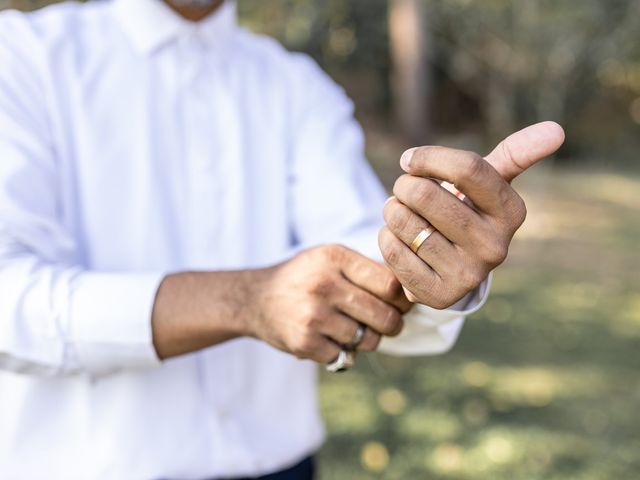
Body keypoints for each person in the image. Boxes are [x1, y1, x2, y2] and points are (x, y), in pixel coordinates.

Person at [0, 0, 564, 479]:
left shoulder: (297, 85)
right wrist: (247, 300)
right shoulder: (21, 56)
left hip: (283, 464)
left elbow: (354, 251)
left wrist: (429, 251)